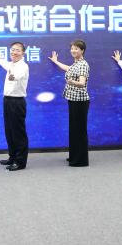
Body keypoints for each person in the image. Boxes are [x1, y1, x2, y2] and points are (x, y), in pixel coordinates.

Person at [49, 39, 90, 167]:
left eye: (76, 48)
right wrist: (56, 61)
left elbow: (82, 83)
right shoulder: (76, 63)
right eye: (72, 48)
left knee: (79, 131)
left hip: (80, 101)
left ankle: (80, 160)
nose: (73, 50)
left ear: (82, 50)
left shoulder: (83, 64)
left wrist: (72, 82)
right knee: (74, 130)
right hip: (73, 100)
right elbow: (68, 68)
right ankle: (74, 155)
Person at [0, 42, 30, 171]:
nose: (14, 52)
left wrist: (11, 73)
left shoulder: (23, 66)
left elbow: (16, 76)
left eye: (17, 50)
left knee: (18, 132)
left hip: (17, 102)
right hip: (7, 100)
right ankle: (12, 157)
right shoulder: (12, 64)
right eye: (12, 50)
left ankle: (20, 162)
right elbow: (5, 64)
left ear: (23, 53)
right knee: (9, 131)